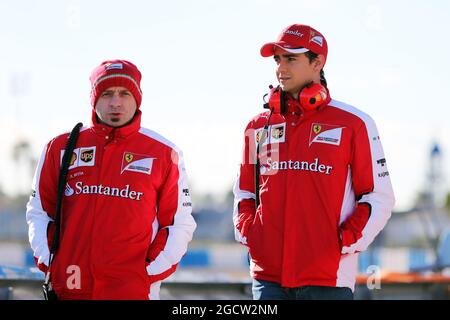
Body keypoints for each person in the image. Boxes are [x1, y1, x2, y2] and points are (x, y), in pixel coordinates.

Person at [233, 24, 395, 300]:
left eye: (291, 58)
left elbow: (378, 197)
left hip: (328, 277)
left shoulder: (354, 124)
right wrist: (251, 236)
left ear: (317, 62)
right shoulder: (257, 127)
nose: (280, 68)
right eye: (277, 59)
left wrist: (343, 242)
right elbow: (245, 192)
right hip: (267, 276)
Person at [26, 59, 196, 300]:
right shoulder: (60, 147)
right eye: (107, 94)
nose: (116, 102)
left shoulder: (164, 153)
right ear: (94, 98)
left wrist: (145, 272)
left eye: (124, 93)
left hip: (133, 292)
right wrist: (52, 262)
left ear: (137, 98)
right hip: (70, 289)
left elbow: (179, 224)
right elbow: (39, 213)